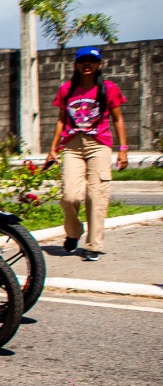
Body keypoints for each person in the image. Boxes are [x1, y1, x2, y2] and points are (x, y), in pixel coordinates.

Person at [45, 45, 129, 261]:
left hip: (98, 145)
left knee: (95, 195)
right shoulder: (67, 89)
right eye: (83, 61)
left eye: (91, 61)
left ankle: (93, 245)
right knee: (69, 195)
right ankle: (73, 232)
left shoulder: (108, 88)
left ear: (99, 65)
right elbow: (62, 119)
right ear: (76, 64)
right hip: (72, 145)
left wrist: (123, 150)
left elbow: (118, 119)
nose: (87, 65)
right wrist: (53, 148)